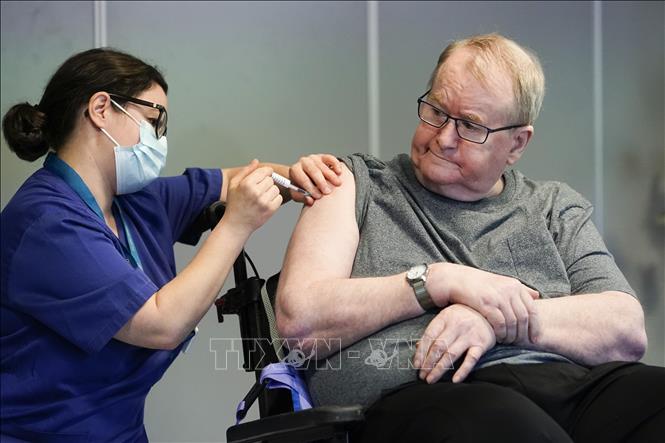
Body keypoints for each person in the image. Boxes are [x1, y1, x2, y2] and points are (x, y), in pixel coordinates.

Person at [275, 33, 664, 442]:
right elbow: (300, 322)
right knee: (502, 423)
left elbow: (626, 330)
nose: (443, 138)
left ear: (517, 144)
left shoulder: (552, 207)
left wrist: (498, 322)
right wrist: (435, 281)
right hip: (422, 394)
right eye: (436, 112)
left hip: (564, 386)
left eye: (470, 126)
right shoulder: (353, 184)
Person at [0, 47, 342, 442]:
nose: (159, 140)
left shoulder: (135, 202)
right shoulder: (46, 223)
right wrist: (236, 225)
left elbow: (235, 180)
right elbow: (162, 323)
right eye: (152, 121)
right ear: (100, 109)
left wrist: (298, 175)